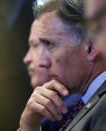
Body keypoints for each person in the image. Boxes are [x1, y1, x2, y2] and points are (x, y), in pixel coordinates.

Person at [18, 0, 106, 131]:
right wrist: (30, 126)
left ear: (90, 47)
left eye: (50, 45)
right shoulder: (81, 102)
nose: (42, 62)